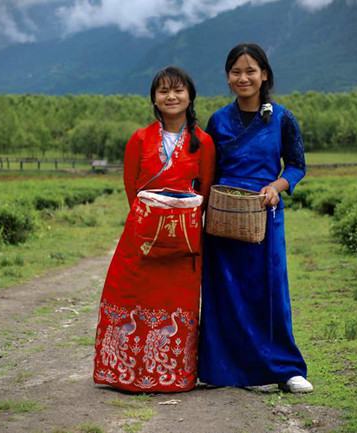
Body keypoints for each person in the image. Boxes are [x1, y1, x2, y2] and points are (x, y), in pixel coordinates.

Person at [198, 43, 313, 393]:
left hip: (265, 213)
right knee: (225, 292)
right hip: (223, 216)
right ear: (228, 77)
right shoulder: (218, 120)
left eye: (250, 71)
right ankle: (222, 369)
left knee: (270, 291)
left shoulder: (282, 118)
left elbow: (296, 166)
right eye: (236, 71)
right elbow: (207, 169)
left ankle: (285, 369)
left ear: (264, 75)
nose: (243, 78)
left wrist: (277, 186)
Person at [93, 66, 215, 392]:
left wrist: (175, 220)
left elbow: (205, 188)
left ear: (190, 96)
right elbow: (131, 186)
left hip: (183, 242)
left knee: (175, 301)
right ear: (154, 99)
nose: (171, 96)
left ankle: (172, 374)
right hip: (141, 237)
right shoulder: (140, 138)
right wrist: (151, 220)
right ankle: (125, 373)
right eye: (163, 91)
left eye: (178, 90)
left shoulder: (203, 142)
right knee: (130, 293)